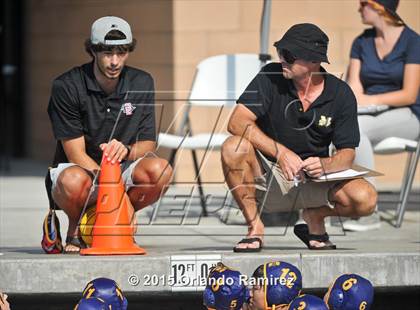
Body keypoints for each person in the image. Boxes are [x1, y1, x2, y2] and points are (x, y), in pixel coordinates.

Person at [221, 23, 377, 252]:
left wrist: (324, 164)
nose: (282, 58)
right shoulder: (270, 76)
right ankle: (255, 229)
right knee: (233, 147)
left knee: (366, 199)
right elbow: (236, 122)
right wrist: (281, 153)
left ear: (314, 61)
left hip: (315, 179)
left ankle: (315, 216)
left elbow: (347, 154)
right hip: (270, 176)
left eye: (289, 55)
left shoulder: (341, 94)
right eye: (280, 52)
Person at [46, 16, 173, 253]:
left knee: (161, 170)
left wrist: (127, 151)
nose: (114, 61)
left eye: (121, 52)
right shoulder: (67, 85)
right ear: (93, 50)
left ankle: (122, 219)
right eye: (107, 53)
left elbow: (148, 142)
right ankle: (77, 225)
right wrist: (116, 194)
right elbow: (75, 153)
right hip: (82, 169)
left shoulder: (142, 81)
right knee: (71, 181)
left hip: (121, 168)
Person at [345, 0, 420, 231]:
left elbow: (409, 94)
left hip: (408, 115)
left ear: (379, 7)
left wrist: (371, 101)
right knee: (343, 127)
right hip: (368, 113)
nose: (359, 9)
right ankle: (334, 205)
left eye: (363, 4)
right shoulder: (361, 42)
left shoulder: (413, 42)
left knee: (356, 128)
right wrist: (362, 102)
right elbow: (353, 87)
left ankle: (369, 210)